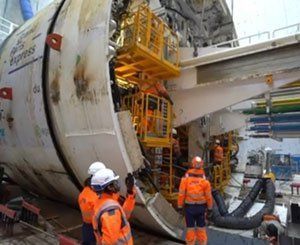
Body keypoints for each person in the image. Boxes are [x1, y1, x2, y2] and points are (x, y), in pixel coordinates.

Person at [91, 168, 136, 245]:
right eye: (114, 182)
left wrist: (130, 193)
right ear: (109, 187)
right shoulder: (110, 211)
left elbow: (123, 216)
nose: (117, 184)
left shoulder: (104, 202)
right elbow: (110, 242)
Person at [178, 156, 213, 245]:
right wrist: (210, 208)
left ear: (192, 165)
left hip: (189, 209)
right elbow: (208, 197)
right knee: (201, 228)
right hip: (201, 209)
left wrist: (179, 207)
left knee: (190, 229)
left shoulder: (185, 180)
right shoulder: (205, 182)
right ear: (201, 165)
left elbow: (181, 194)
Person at [78, 162, 106, 245]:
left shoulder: (89, 191)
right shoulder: (89, 195)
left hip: (92, 227)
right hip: (93, 228)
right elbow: (91, 217)